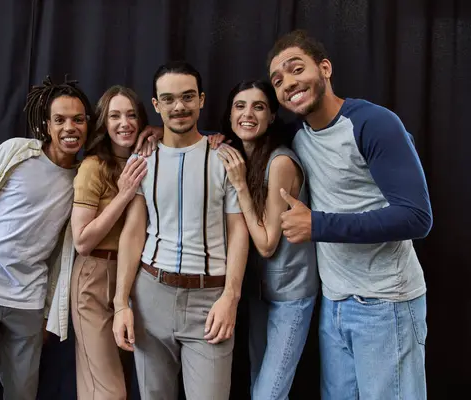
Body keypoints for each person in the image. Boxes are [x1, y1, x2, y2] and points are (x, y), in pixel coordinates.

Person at [0, 77, 159, 400]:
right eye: (59, 120)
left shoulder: (81, 174)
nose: (69, 127)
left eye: (77, 119)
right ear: (47, 124)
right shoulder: (16, 153)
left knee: (23, 392)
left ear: (89, 124)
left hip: (27, 299)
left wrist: (155, 132)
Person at [267, 30, 433, 400]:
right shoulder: (299, 137)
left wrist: (318, 225)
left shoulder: (373, 123)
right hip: (335, 303)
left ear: (324, 68)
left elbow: (416, 217)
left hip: (386, 303)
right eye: (278, 80)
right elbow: (246, 131)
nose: (288, 83)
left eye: (297, 69)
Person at [111, 61, 249, 400]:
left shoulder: (225, 158)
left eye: (188, 97)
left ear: (201, 100)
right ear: (156, 105)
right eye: (169, 99)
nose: (179, 107)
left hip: (209, 300)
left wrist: (231, 297)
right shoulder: (140, 161)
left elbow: (239, 232)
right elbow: (133, 232)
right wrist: (120, 303)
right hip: (150, 295)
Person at [216, 79, 318, 400]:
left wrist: (241, 186)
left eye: (258, 106)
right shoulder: (236, 155)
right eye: (240, 106)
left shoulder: (280, 162)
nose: (248, 113)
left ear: (272, 115)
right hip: (259, 294)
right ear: (230, 114)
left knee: (267, 395)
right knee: (259, 385)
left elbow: (267, 244)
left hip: (291, 296)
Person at [70, 85, 149, 399]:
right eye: (115, 116)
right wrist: (124, 193)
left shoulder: (142, 160)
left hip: (132, 280)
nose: (124, 123)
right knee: (108, 391)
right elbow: (82, 241)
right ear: (104, 123)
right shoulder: (93, 167)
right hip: (95, 278)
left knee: (123, 384)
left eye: (131, 115)